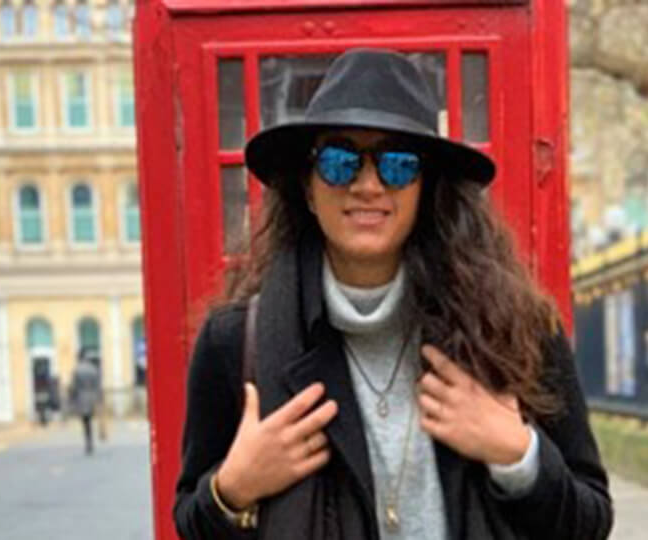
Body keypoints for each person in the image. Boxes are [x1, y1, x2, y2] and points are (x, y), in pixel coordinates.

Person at [174, 48, 613, 539]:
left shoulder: (514, 328)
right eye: (340, 162)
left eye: (398, 164)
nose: (368, 185)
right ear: (308, 187)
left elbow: (589, 523)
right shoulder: (234, 342)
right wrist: (233, 488)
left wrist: (517, 455)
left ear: (426, 187)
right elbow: (191, 523)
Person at [69, 353, 102, 455]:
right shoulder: (93, 369)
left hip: (82, 397)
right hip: (92, 397)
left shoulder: (77, 370)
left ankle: (88, 441)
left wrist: (72, 400)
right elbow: (98, 385)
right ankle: (90, 441)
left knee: (85, 421)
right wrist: (99, 398)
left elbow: (74, 386)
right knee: (89, 420)